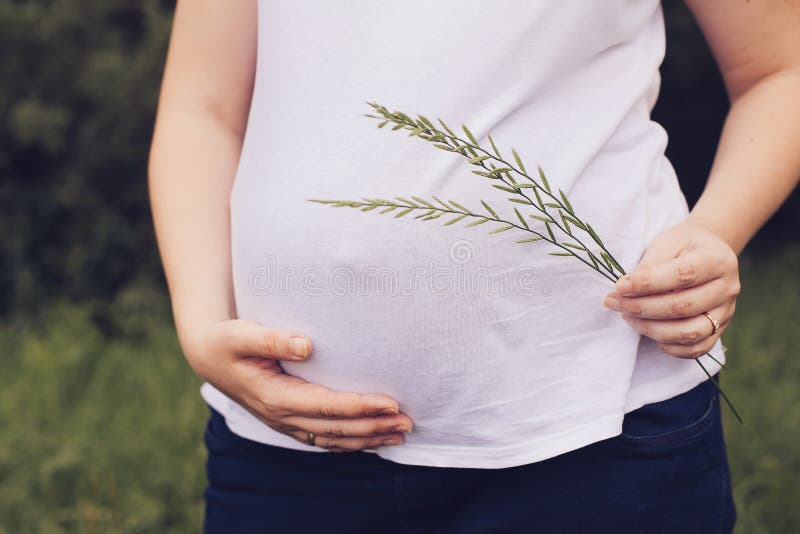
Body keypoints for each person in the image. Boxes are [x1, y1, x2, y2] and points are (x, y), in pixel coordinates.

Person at [148, 1, 800, 532]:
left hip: (599, 439)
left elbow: (781, 69)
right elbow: (201, 110)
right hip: (285, 456)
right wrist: (200, 326)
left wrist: (714, 231)